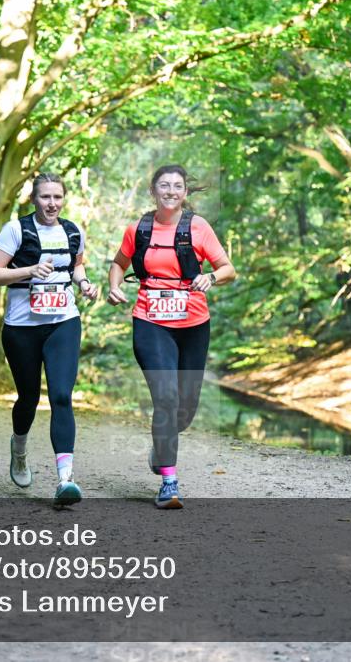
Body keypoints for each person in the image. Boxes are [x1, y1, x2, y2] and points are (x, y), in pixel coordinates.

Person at [107, 164, 236, 509]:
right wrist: (114, 287)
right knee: (165, 399)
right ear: (153, 190)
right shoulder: (139, 229)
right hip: (150, 321)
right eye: (164, 185)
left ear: (185, 193)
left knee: (185, 407)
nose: (171, 191)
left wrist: (211, 277)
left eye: (177, 186)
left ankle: (160, 445)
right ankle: (169, 481)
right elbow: (119, 263)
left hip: (193, 324)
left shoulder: (198, 227)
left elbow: (228, 269)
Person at [0, 173, 99, 506]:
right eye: (45, 197)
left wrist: (85, 283)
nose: (52, 203)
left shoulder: (73, 230)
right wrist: (28, 270)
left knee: (62, 395)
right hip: (22, 327)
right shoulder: (16, 230)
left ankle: (66, 480)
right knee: (28, 398)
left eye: (57, 197)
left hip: (63, 321)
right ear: (34, 199)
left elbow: (76, 268)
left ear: (64, 199)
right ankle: (19, 449)